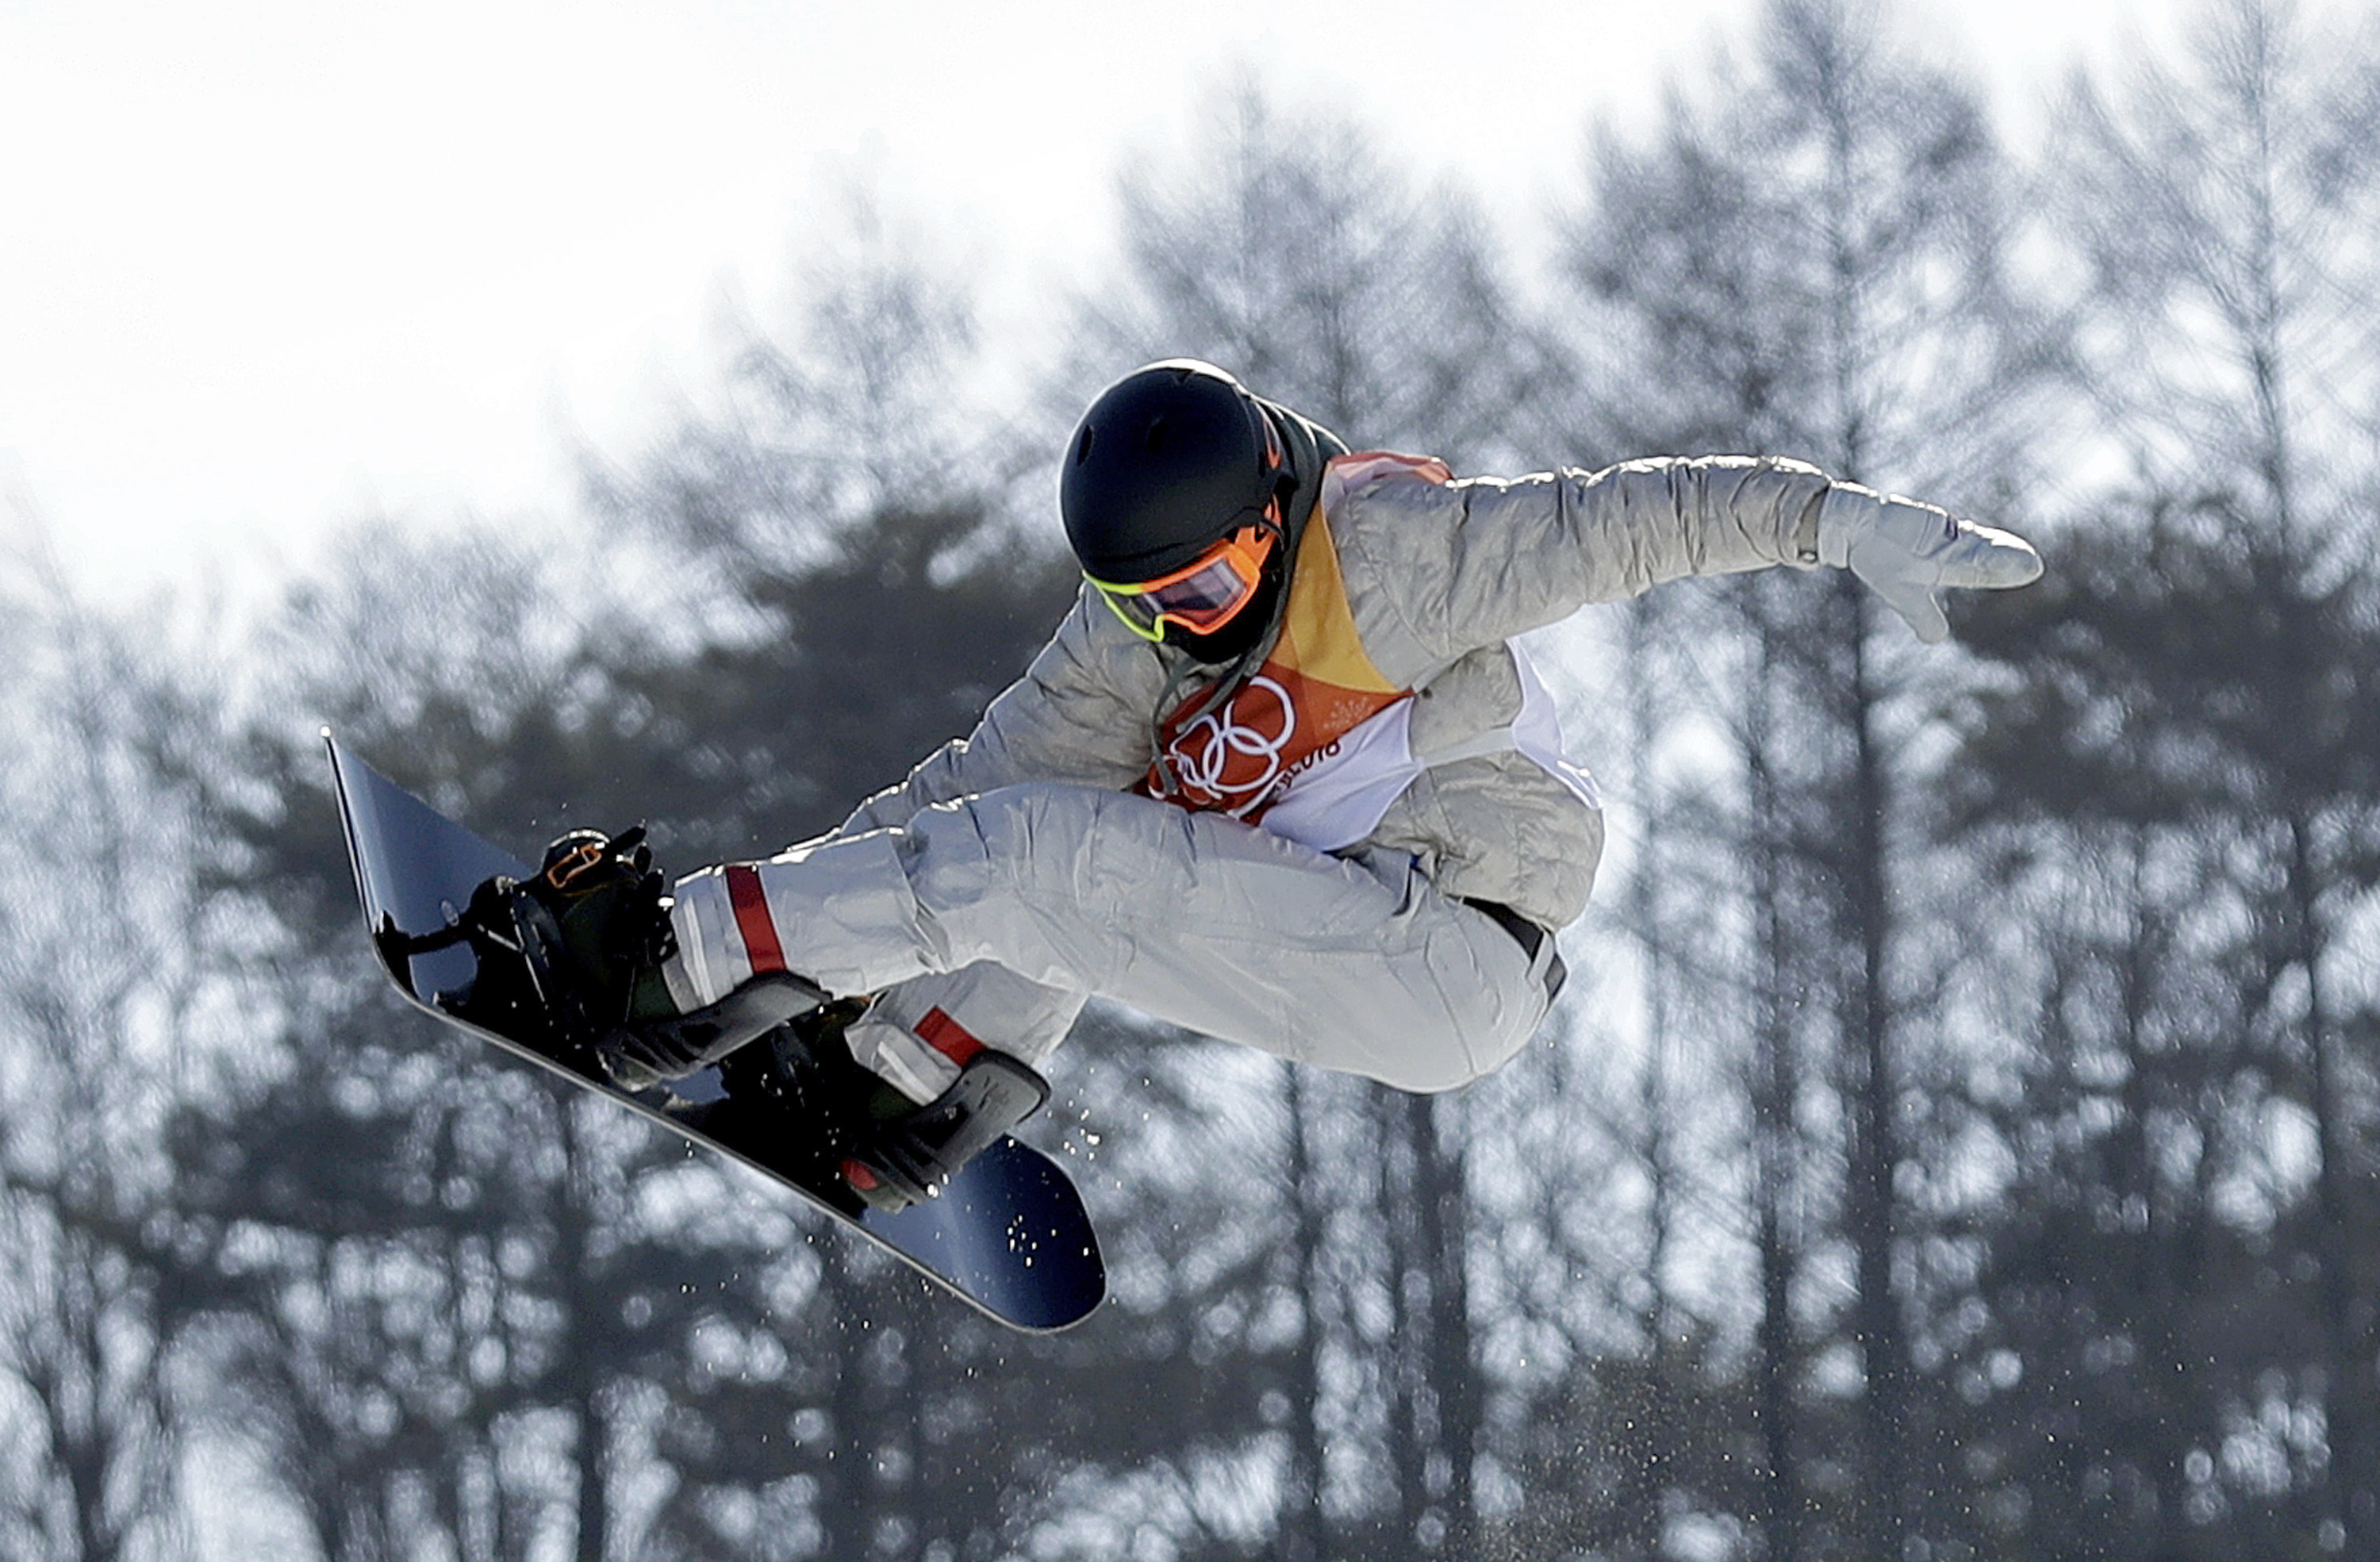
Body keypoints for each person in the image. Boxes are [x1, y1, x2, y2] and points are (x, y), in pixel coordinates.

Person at [539, 359, 2041, 1211]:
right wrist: (812, 960)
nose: (1180, 623)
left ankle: (668, 974)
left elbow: (1642, 519)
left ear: (1268, 514)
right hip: (1339, 926)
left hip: (1455, 942)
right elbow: (954, 821)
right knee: (1051, 839)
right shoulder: (1126, 649)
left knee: (1055, 855)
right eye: (1143, 600)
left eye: (1201, 584)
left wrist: (1841, 523)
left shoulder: (1391, 557)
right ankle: (908, 1090)